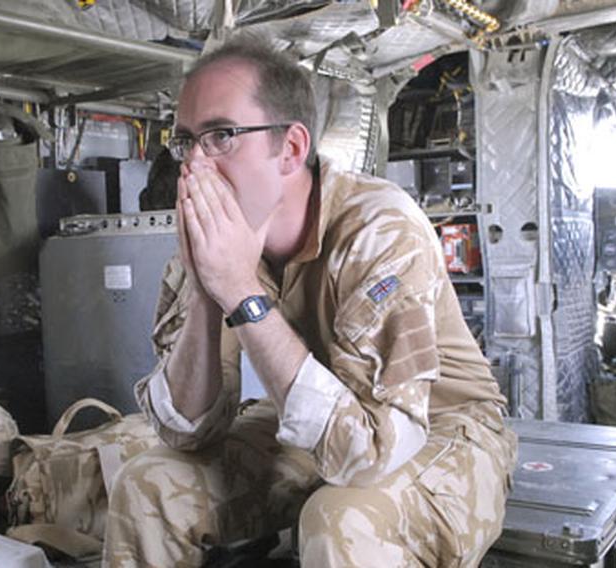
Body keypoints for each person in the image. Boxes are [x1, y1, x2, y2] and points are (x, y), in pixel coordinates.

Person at [102, 36, 517, 568]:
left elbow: (369, 452)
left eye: (222, 136)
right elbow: (185, 431)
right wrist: (209, 289)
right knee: (147, 484)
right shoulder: (219, 240)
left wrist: (241, 292)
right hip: (324, 422)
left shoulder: (379, 228)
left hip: (439, 427)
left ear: (291, 150)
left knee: (342, 519)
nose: (194, 166)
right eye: (185, 141)